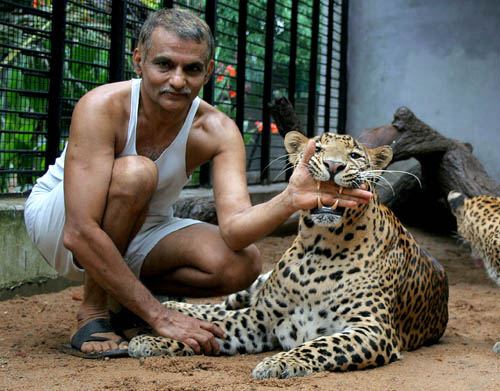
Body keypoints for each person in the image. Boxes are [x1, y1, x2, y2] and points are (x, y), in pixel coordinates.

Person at [24, 8, 372, 358]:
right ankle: (94, 311)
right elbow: (78, 231)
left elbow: (235, 229)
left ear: (207, 72)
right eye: (164, 65)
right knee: (137, 173)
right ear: (138, 60)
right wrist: (160, 316)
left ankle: (123, 302)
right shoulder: (102, 106)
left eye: (191, 69)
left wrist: (291, 198)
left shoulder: (217, 129)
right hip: (61, 226)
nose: (178, 80)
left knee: (242, 263)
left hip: (142, 227)